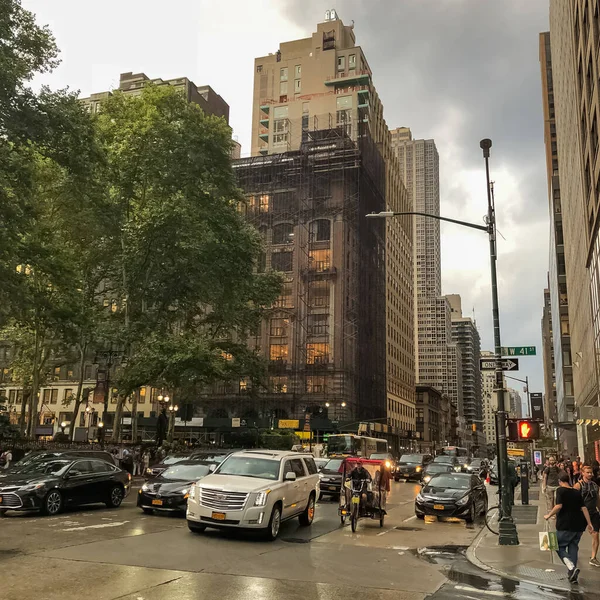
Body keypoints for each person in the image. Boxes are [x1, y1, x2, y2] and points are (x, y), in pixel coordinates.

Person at [544, 472, 594, 584]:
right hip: (579, 525)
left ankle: (571, 567)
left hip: (566, 524)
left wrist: (548, 515)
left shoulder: (560, 490)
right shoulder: (576, 492)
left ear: (560, 481)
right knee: (573, 547)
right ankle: (572, 574)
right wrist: (589, 523)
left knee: (556, 545)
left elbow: (558, 506)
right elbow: (584, 508)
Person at [574, 465, 600, 567]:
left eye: (591, 472)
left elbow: (597, 500)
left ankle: (593, 558)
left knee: (596, 535)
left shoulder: (595, 486)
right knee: (577, 536)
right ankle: (573, 554)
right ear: (582, 473)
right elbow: (573, 500)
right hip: (581, 514)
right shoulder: (578, 485)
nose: (590, 474)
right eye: (588, 472)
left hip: (593, 513)